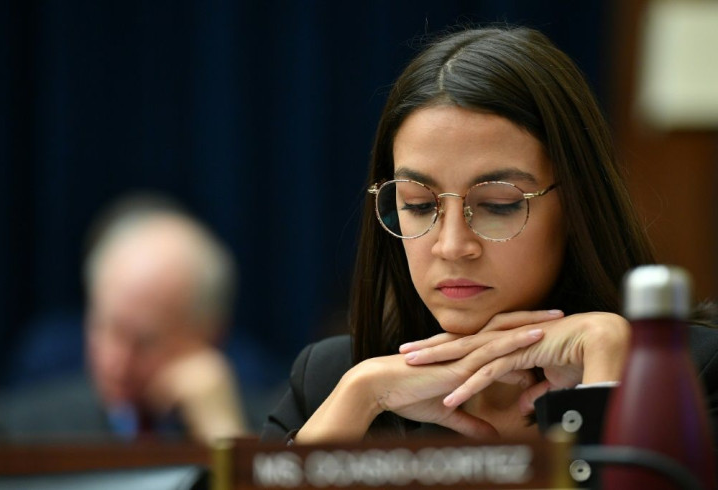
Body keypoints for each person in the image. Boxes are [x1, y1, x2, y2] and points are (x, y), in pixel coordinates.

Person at [261, 26, 718, 447]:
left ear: (578, 204)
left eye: (499, 204)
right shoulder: (332, 379)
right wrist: (362, 397)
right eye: (419, 204)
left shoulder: (693, 373)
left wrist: (607, 365)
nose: (452, 245)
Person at [0, 194, 248, 444]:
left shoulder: (272, 428)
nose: (117, 363)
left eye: (145, 341)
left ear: (210, 334)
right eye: (107, 329)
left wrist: (223, 433)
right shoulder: (12, 433)